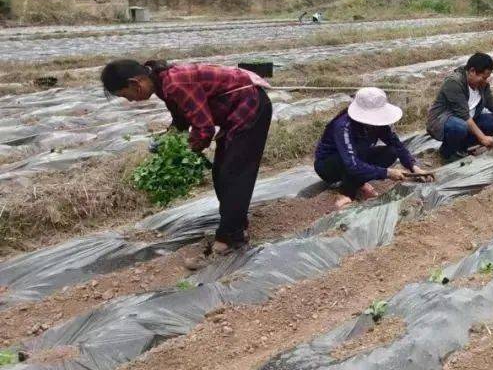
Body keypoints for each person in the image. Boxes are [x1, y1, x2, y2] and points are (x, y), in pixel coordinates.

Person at [101, 59, 272, 259]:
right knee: (221, 173)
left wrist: (186, 151)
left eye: (125, 96)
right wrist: (167, 140)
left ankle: (229, 238)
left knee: (234, 173)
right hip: (234, 112)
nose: (130, 101)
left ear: (134, 83)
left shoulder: (175, 83)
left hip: (250, 106)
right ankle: (236, 226)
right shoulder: (163, 84)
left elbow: (204, 129)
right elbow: (182, 119)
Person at [314, 87, 430, 208]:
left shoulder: (378, 124)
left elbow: (395, 143)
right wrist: (386, 172)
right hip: (329, 165)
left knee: (391, 152)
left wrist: (413, 167)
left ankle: (359, 182)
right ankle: (346, 194)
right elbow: (352, 163)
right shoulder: (344, 126)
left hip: (355, 158)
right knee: (355, 157)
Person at [427, 52, 493, 162]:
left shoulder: (482, 85)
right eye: (483, 77)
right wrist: (482, 138)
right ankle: (447, 152)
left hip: (467, 120)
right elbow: (463, 116)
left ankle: (462, 147)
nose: (486, 80)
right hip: (442, 121)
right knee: (460, 127)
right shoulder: (454, 83)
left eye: (487, 77)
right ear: (472, 71)